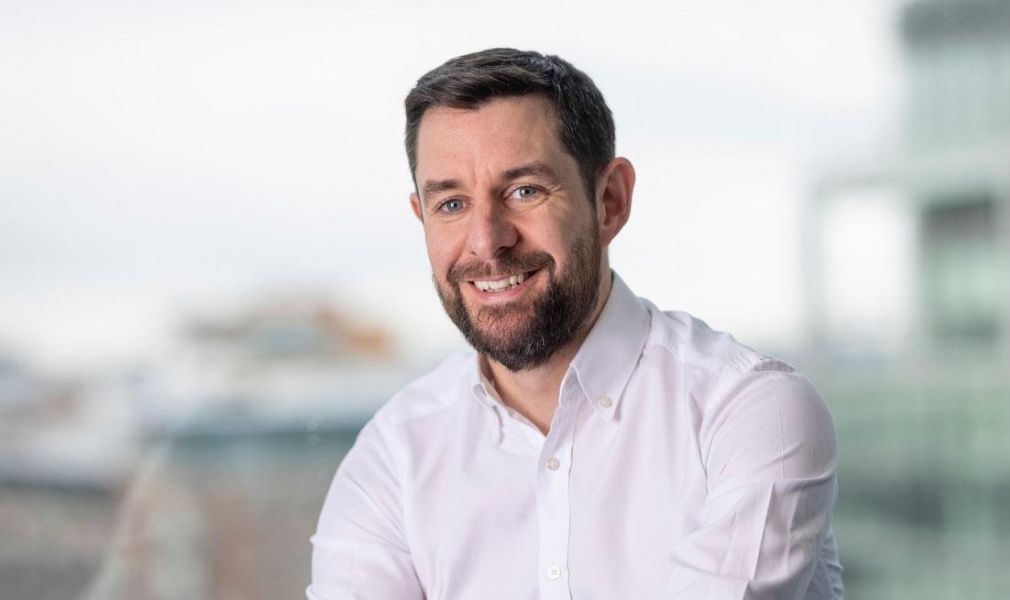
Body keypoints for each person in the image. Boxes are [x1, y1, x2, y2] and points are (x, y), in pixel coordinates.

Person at [308, 48, 843, 600]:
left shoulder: (749, 411)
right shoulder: (395, 455)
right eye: (451, 204)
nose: (487, 240)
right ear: (422, 217)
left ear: (610, 201)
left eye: (524, 192)